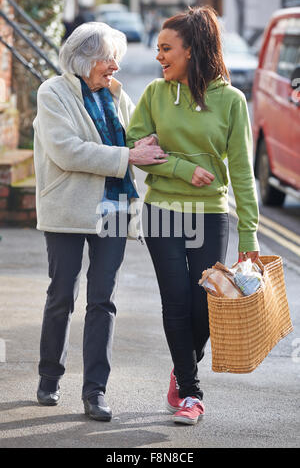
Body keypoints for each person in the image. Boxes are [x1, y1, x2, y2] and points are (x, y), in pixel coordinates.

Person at [126, 6, 260, 425]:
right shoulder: (154, 94)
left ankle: (182, 364)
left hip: (210, 212)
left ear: (192, 50)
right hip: (162, 209)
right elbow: (137, 148)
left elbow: (241, 169)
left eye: (167, 48)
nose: (159, 56)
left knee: (206, 307)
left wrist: (250, 236)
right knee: (176, 302)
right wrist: (182, 169)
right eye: (158, 49)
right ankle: (190, 392)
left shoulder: (232, 100)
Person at [33, 21, 167, 421]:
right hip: (68, 211)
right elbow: (67, 150)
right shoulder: (52, 92)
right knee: (61, 295)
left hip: (115, 209)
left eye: (116, 61)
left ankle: (95, 392)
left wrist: (140, 147)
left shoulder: (115, 95)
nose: (116, 68)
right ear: (85, 59)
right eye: (109, 60)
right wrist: (129, 156)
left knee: (102, 301)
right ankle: (49, 377)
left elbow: (133, 141)